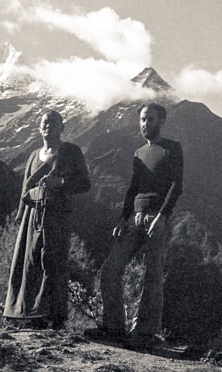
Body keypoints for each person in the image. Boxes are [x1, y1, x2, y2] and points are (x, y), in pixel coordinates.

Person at [85, 102, 183, 351]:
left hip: (156, 218)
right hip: (135, 218)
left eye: (149, 119)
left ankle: (145, 333)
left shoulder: (172, 148)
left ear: (161, 121)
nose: (144, 124)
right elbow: (132, 189)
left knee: (153, 275)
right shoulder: (139, 153)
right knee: (110, 268)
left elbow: (176, 186)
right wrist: (122, 217)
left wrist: (162, 216)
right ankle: (114, 327)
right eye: (141, 119)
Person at [3, 110, 91, 330]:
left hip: (57, 215)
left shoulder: (71, 151)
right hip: (32, 216)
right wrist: (21, 214)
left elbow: (84, 183)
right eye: (44, 123)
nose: (48, 126)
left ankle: (53, 315)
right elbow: (26, 186)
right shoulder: (34, 155)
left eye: (53, 122)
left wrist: (60, 183)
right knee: (28, 262)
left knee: (53, 262)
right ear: (39, 127)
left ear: (63, 127)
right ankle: (27, 314)